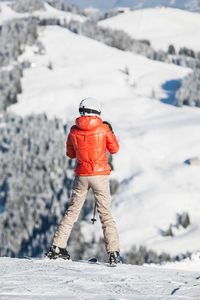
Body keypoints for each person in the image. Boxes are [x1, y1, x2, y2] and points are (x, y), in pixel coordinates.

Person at [47, 97, 120, 265]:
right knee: (106, 215)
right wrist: (111, 132)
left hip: (82, 175)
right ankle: (113, 253)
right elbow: (114, 149)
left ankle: (57, 247)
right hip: (100, 175)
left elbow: (70, 154)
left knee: (72, 212)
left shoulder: (73, 131)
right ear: (97, 112)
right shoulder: (103, 129)